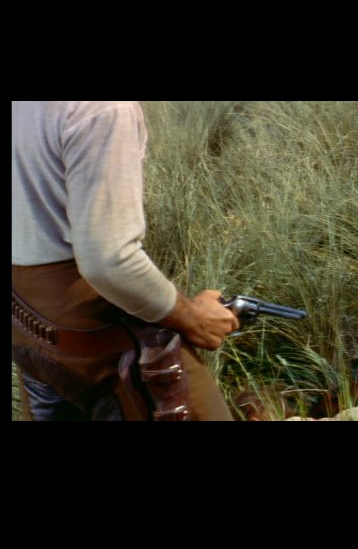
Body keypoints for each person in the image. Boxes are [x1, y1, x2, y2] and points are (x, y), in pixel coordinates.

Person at [12, 101, 240, 421]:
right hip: (97, 334)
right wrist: (193, 318)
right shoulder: (104, 109)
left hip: (26, 327)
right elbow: (110, 261)